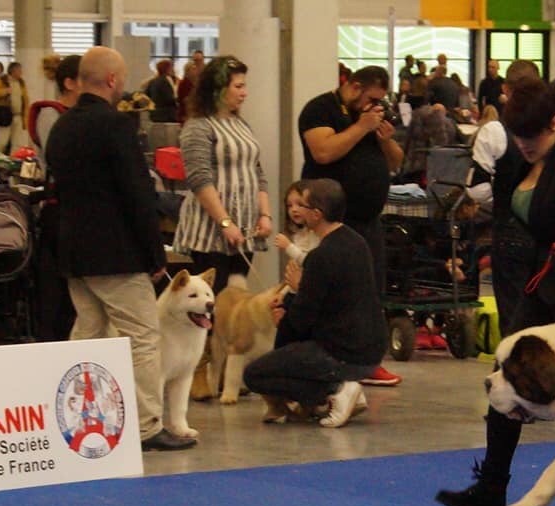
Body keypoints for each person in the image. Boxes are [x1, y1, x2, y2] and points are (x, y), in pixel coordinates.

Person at [435, 77, 555, 506]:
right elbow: (501, 220)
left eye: (533, 134)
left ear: (554, 123)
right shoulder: (514, 161)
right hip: (540, 285)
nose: (525, 143)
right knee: (506, 375)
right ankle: (491, 489)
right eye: (517, 134)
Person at [46, 46, 194, 452]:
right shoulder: (115, 126)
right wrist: (154, 253)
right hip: (116, 255)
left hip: (74, 253)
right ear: (112, 80)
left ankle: (70, 417)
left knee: (88, 334)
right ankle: (148, 427)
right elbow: (137, 195)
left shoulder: (60, 128)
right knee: (144, 338)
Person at [243, 178, 387, 428]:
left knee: (255, 374)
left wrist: (285, 314)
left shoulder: (321, 256)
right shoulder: (357, 242)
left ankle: (335, 389)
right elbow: (337, 299)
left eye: (303, 205)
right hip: (372, 347)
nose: (297, 210)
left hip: (341, 352)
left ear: (317, 214)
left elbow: (301, 320)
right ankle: (333, 392)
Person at [172, 55, 274, 400]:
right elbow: (200, 178)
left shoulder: (242, 125)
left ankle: (232, 370)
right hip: (209, 228)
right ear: (218, 89)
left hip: (244, 231)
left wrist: (265, 215)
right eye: (239, 86)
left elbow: (257, 172)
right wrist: (224, 221)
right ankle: (199, 371)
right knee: (204, 305)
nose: (245, 93)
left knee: (237, 304)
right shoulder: (198, 127)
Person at [298, 65, 404, 386]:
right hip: (331, 220)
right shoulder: (320, 109)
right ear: (355, 86)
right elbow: (324, 151)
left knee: (371, 291)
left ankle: (370, 360)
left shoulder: (371, 119)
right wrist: (361, 126)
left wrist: (384, 140)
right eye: (372, 98)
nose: (375, 106)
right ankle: (330, 358)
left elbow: (396, 162)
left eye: (381, 101)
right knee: (334, 292)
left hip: (368, 219)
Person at [32, 54, 81, 343]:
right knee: (55, 294)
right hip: (57, 212)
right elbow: (61, 160)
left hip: (76, 213)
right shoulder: (50, 115)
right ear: (70, 83)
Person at [0, 61, 30, 154]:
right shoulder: (1, 81)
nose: (21, 73)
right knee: (3, 141)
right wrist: (4, 91)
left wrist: (26, 116)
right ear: (13, 71)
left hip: (18, 116)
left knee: (17, 142)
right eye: (19, 70)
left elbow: (25, 99)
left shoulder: (21, 82)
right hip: (5, 115)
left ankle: (14, 160)